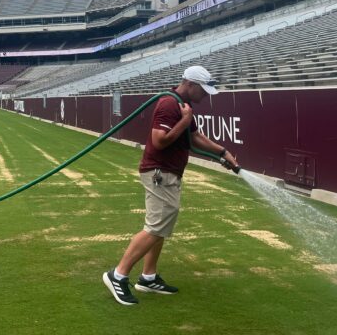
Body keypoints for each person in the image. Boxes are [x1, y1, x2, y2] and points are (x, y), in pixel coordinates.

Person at [102, 65, 239, 305]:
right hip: (159, 172)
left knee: (162, 225)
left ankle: (148, 276)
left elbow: (195, 137)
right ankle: (118, 274)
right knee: (155, 226)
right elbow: (160, 141)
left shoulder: (183, 106)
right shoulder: (168, 104)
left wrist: (223, 152)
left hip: (169, 172)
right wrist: (184, 121)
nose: (205, 96)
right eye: (203, 91)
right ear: (190, 85)